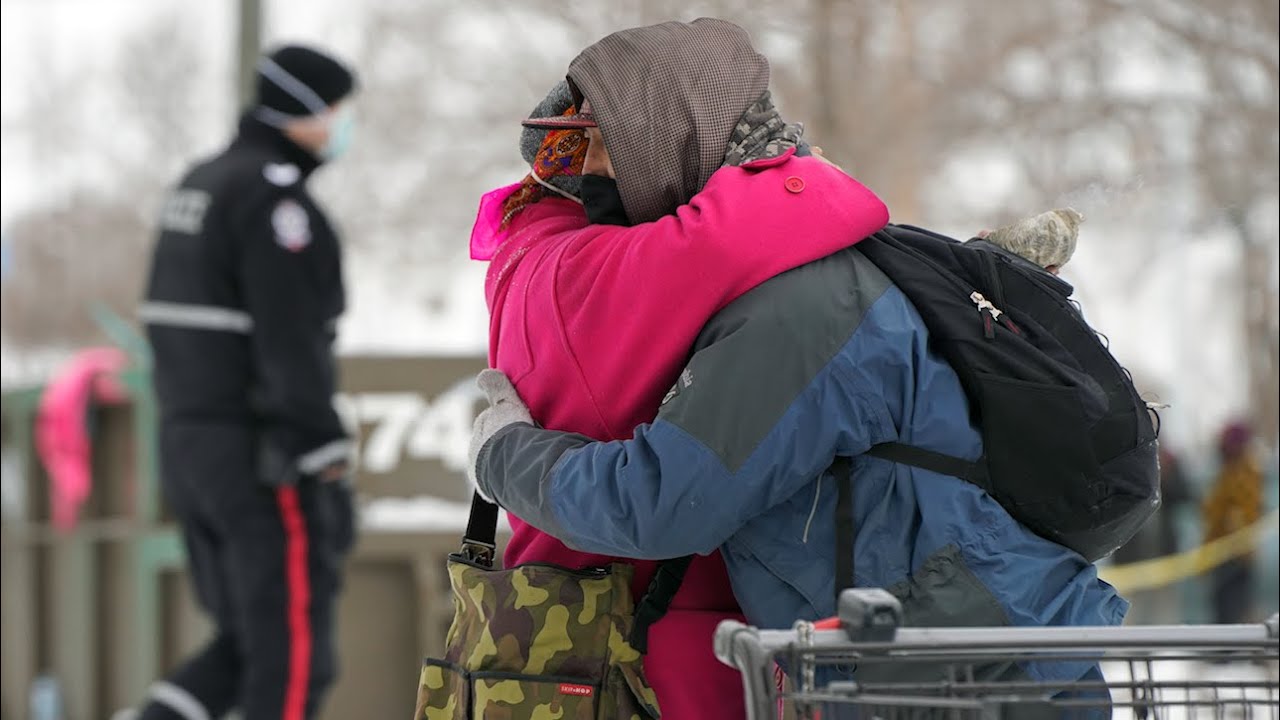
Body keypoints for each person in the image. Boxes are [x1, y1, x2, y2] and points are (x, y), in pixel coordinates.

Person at [468, 17, 1128, 700]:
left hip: (963, 684)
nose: (588, 180)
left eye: (601, 148)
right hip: (953, 657)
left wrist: (503, 453)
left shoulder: (800, 309)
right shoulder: (817, 267)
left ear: (669, 134)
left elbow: (661, 502)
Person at [459, 61, 887, 718]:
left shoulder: (531, 245)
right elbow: (779, 220)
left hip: (557, 629)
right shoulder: (592, 270)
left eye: (601, 141)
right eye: (587, 144)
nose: (596, 163)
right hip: (655, 646)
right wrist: (787, 164)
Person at [135, 45, 358, 720]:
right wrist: (322, 450)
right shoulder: (273, 201)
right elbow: (288, 341)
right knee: (293, 661)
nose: (343, 124)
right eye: (338, 109)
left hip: (187, 447)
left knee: (241, 644)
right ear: (307, 110)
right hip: (260, 457)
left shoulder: (198, 184)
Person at [1203, 420, 1264, 624]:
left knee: (1233, 613)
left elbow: (1243, 511)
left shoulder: (1245, 474)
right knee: (1223, 612)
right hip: (1221, 554)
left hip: (1236, 556)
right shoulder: (1228, 473)